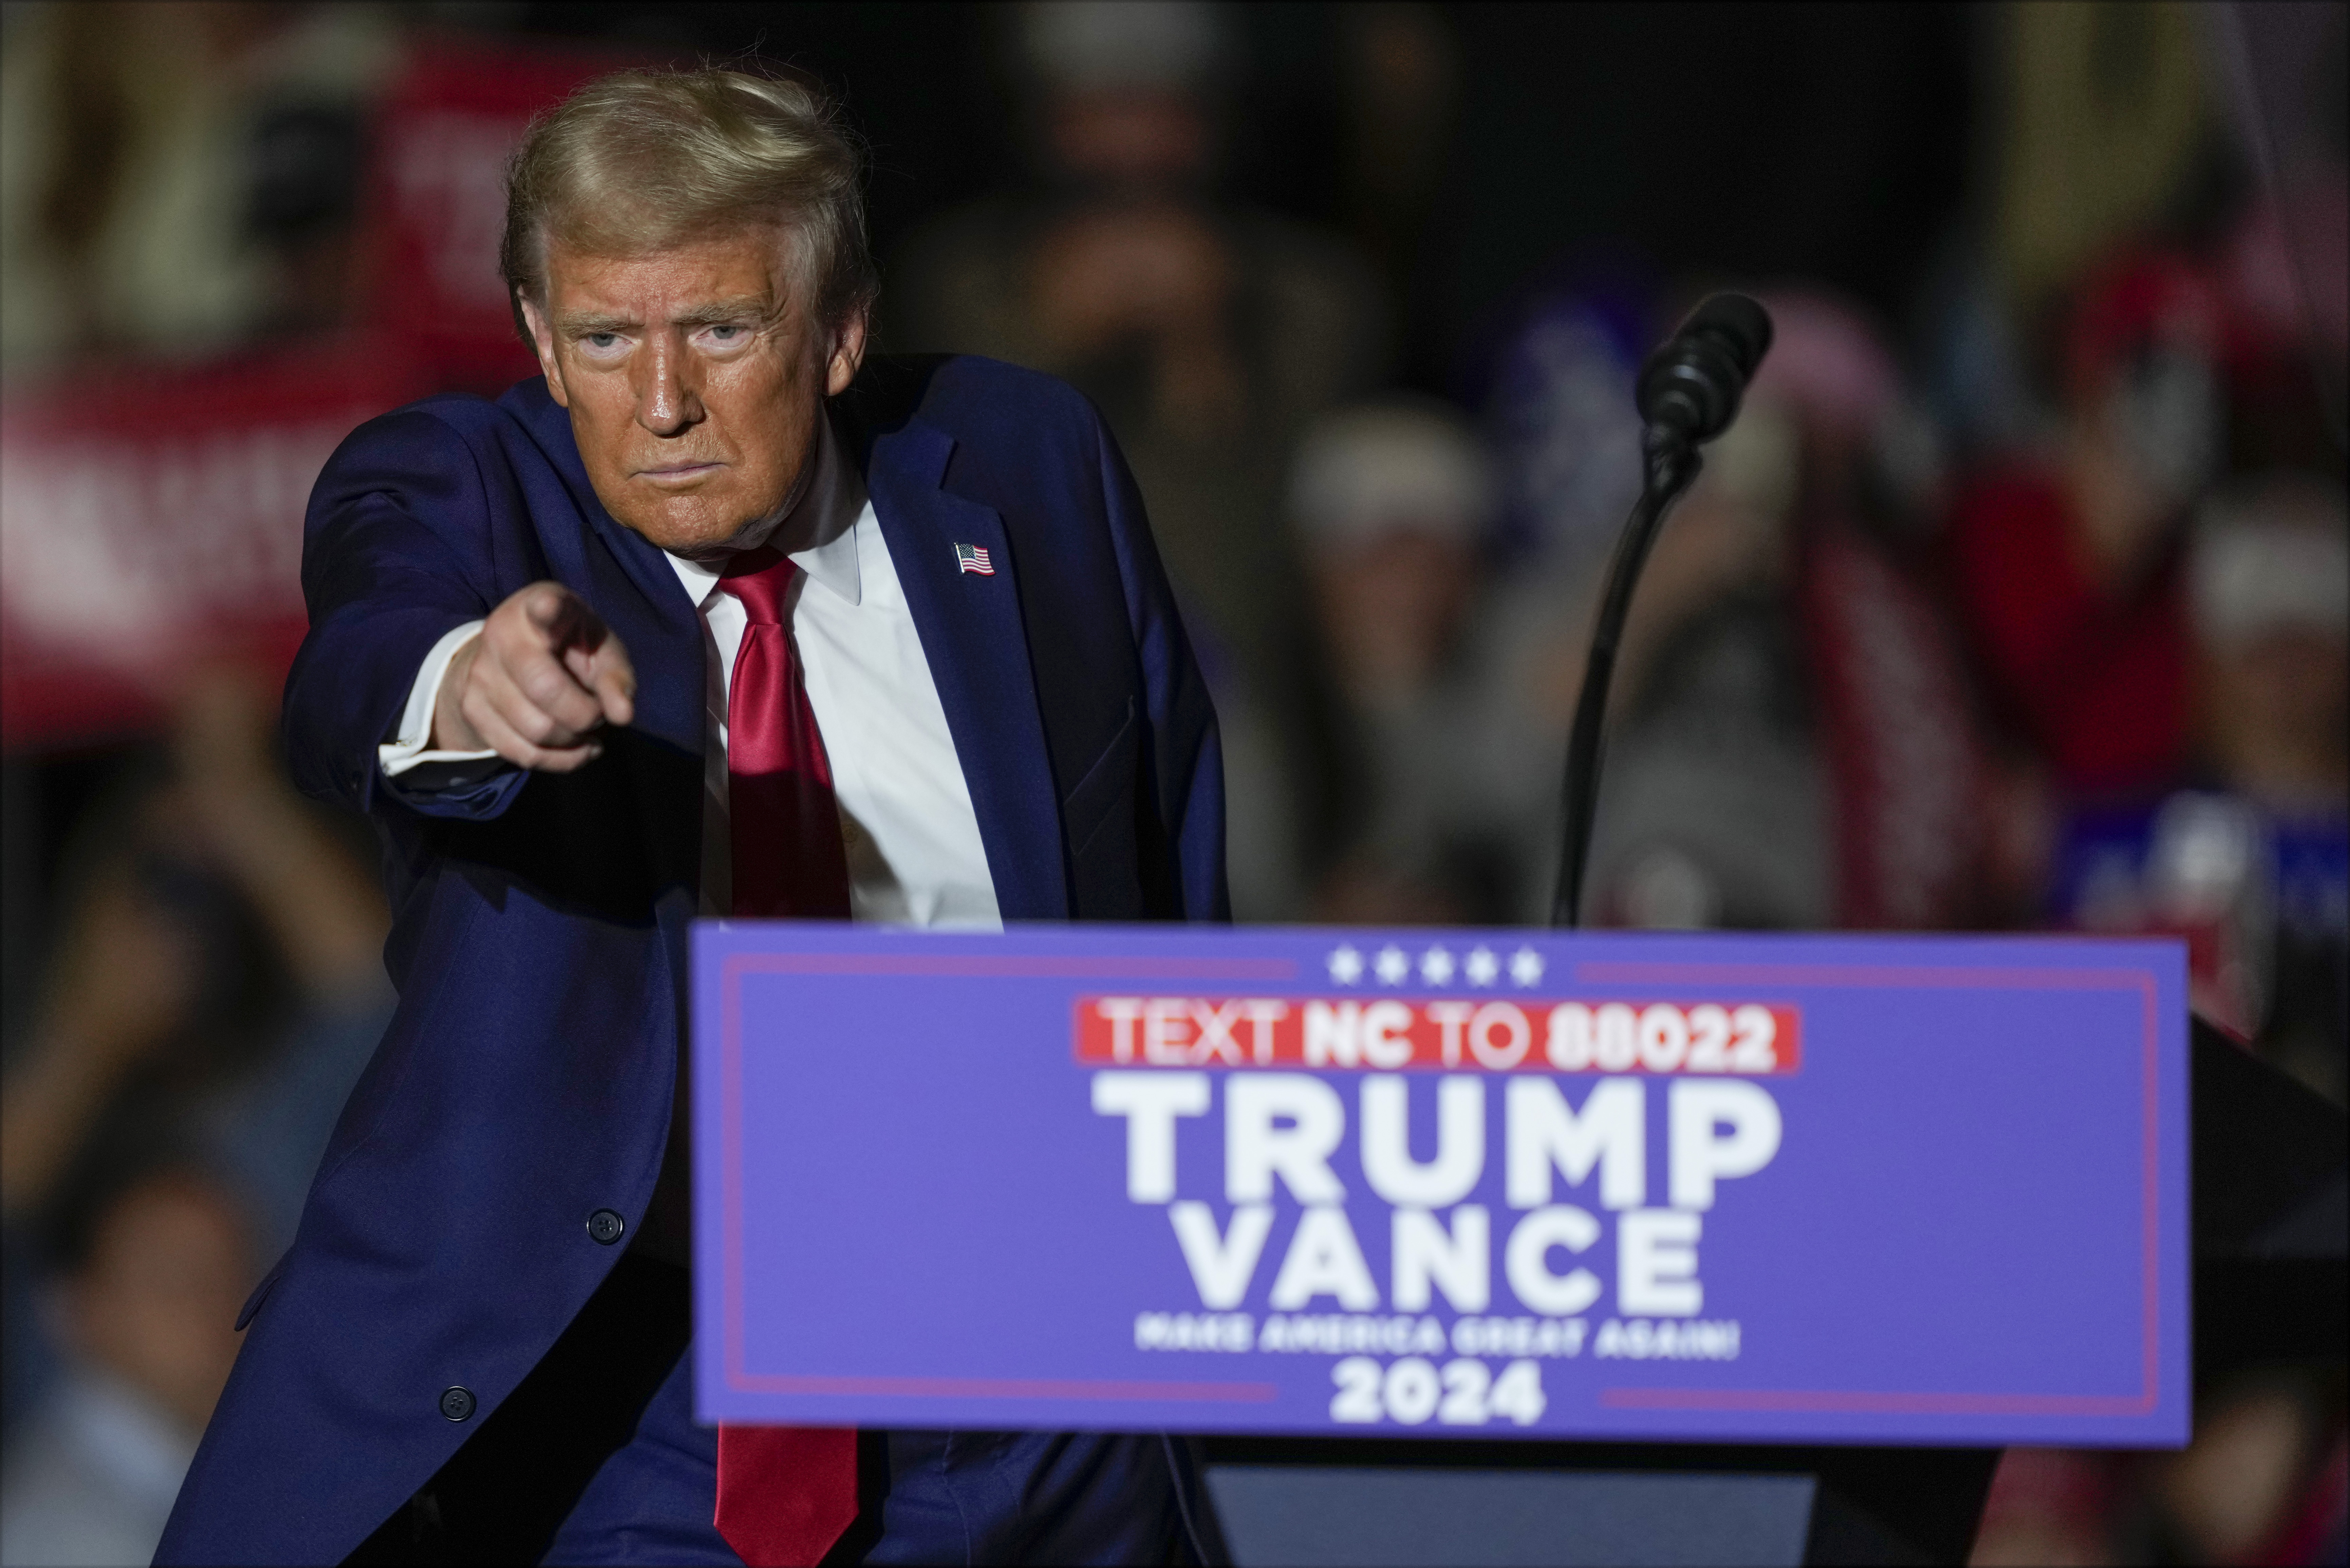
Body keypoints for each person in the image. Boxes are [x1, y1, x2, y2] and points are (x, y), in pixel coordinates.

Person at [156, 67, 1225, 1568]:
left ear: (839, 328)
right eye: (601, 338)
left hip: (1056, 1385)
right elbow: (359, 655)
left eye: (719, 329)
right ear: (539, 336)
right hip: (662, 1423)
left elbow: (1170, 860)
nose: (659, 403)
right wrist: (471, 683)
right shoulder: (467, 487)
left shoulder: (1025, 461)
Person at [1, 1163, 255, 1568]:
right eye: (178, 1279)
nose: (226, 1308)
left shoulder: (190, 1478)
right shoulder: (72, 1535)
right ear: (78, 1308)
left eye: (240, 1274)